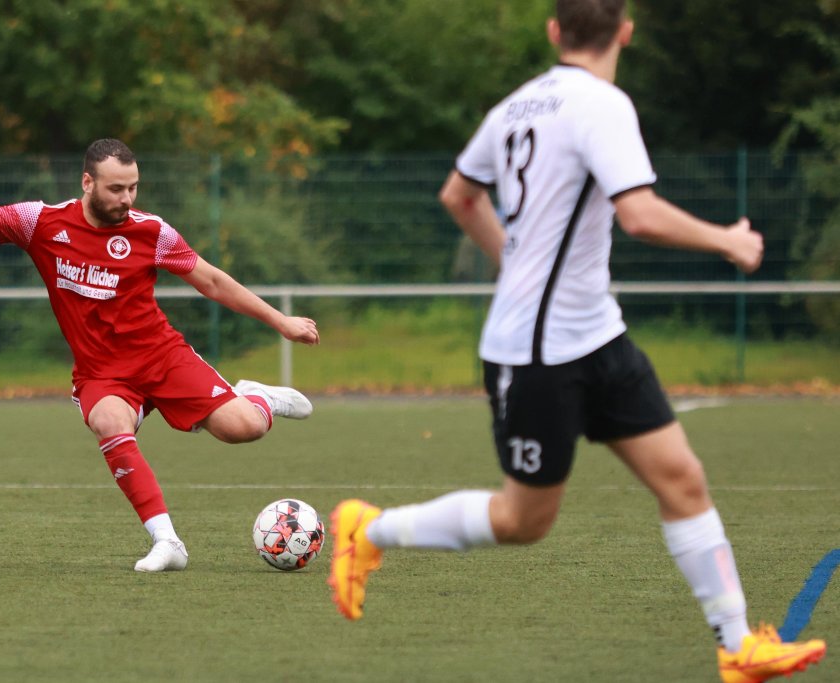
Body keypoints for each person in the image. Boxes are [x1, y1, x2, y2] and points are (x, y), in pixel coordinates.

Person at [327, 2, 826, 681]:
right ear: (626, 30)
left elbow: (458, 194)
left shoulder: (514, 107)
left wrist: (512, 260)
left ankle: (739, 645)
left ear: (554, 31)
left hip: (597, 333)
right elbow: (640, 214)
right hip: (535, 351)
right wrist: (729, 240)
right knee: (525, 518)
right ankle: (368, 528)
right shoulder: (603, 104)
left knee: (682, 478)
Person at [0, 138, 320, 572]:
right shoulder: (41, 222)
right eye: (116, 189)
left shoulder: (151, 231)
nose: (127, 199)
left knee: (244, 429)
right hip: (102, 373)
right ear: (88, 182)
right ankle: (167, 541)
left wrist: (281, 321)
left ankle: (257, 399)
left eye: (133, 188)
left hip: (161, 356)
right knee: (108, 421)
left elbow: (211, 280)